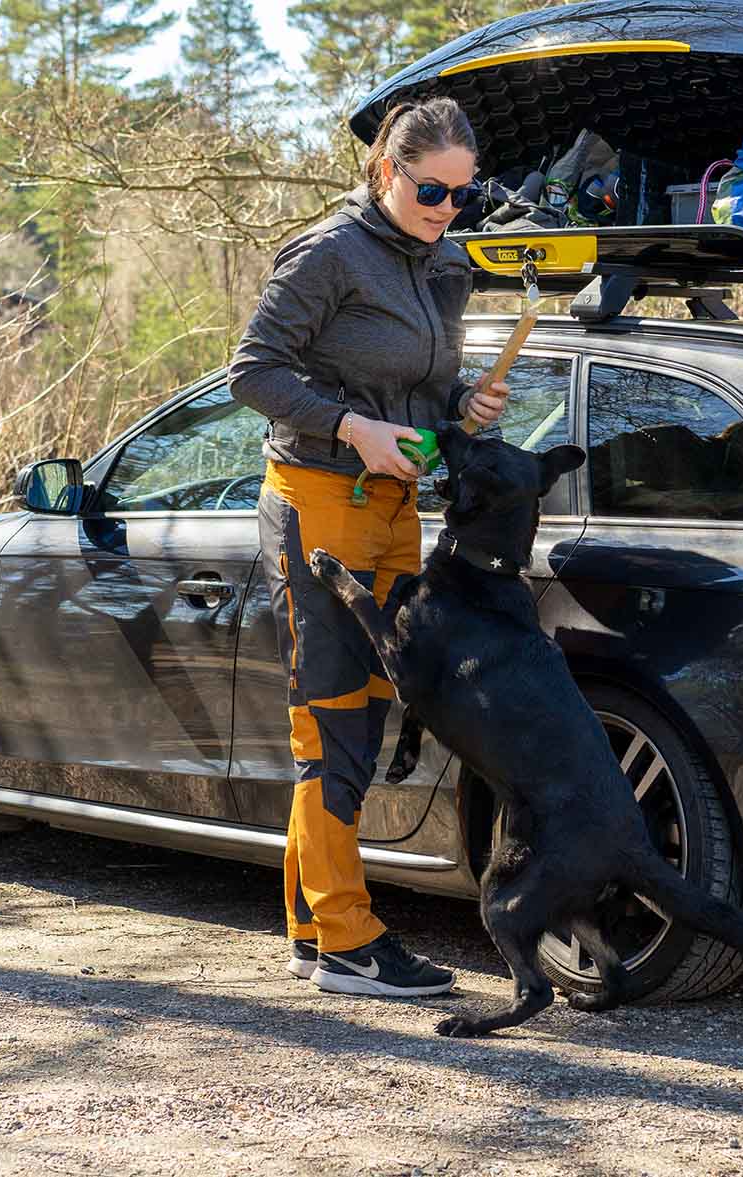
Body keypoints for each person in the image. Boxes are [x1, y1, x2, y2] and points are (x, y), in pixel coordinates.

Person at [228, 97, 509, 997]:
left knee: (362, 712)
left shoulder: (445, 263)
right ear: (387, 171)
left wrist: (463, 409)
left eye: (464, 195)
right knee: (332, 715)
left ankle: (315, 928)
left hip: (396, 504)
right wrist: (351, 426)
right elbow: (254, 372)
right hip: (319, 502)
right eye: (432, 190)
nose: (447, 210)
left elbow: (424, 385)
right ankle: (351, 941)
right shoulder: (326, 253)